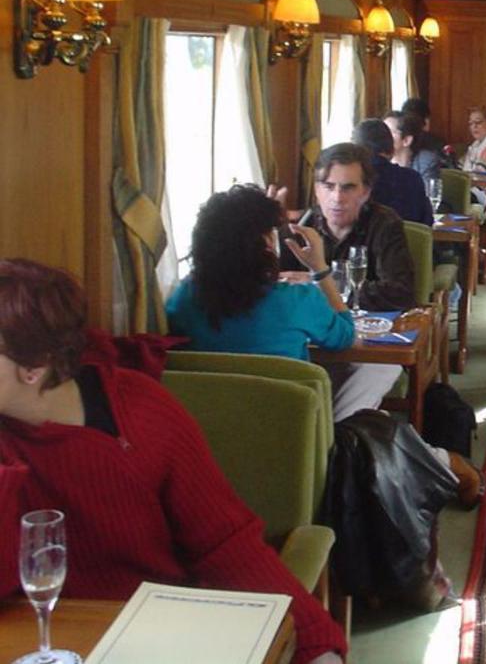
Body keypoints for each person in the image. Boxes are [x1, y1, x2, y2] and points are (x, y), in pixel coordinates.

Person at [0, 259, 345, 664]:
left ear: (35, 366)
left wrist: (315, 644)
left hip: (155, 634)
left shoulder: (138, 412)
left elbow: (225, 543)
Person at [279, 142, 417, 420]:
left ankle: (332, 438)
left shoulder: (385, 224)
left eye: (348, 187)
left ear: (365, 192)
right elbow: (281, 286)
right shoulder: (301, 228)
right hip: (318, 339)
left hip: (371, 343)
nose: (337, 198)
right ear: (317, 190)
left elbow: (400, 293)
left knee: (375, 371)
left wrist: (320, 282)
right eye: (328, 186)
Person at [167, 185, 355, 360]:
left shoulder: (183, 297)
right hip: (284, 395)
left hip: (207, 395)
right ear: (267, 242)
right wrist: (320, 269)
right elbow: (345, 336)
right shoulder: (298, 300)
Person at [354, 117, 433, 225]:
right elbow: (427, 224)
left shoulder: (353, 181)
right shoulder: (413, 178)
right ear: (391, 150)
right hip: (408, 241)